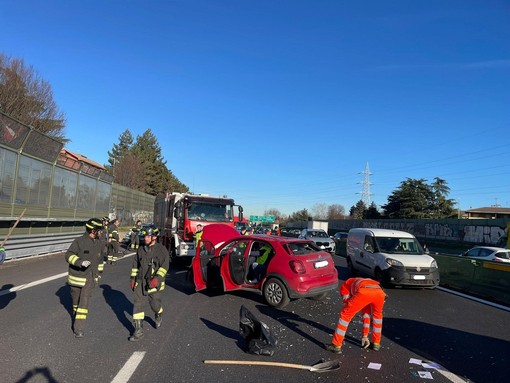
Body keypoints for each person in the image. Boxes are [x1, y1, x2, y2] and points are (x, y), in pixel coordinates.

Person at [64, 218, 104, 338]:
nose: (101, 232)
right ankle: (76, 316)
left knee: (84, 303)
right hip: (76, 278)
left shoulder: (99, 244)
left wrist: (98, 275)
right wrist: (79, 262)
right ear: (93, 230)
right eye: (99, 230)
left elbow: (100, 261)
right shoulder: (79, 242)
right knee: (76, 303)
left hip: (89, 278)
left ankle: (78, 328)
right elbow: (68, 255)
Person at [129, 227, 170, 341]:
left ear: (154, 237)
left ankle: (158, 314)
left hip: (154, 283)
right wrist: (133, 279)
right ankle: (138, 331)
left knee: (154, 305)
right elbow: (135, 264)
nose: (145, 238)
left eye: (148, 236)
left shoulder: (161, 250)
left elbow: (165, 266)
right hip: (140, 282)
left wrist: (157, 278)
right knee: (137, 304)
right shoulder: (141, 249)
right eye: (145, 236)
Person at [326, 277, 386, 354]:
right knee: (377, 318)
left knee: (345, 314)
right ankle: (376, 344)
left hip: (363, 291)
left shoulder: (345, 285)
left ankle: (336, 345)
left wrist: (350, 303)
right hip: (379, 293)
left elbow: (346, 301)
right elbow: (366, 314)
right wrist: (365, 335)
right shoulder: (367, 281)